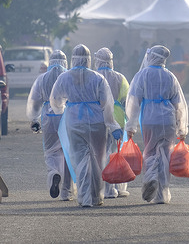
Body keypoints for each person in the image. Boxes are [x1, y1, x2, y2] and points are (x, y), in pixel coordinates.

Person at [50, 44, 122, 207]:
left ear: (73, 58)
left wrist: (62, 109)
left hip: (74, 122)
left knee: (80, 159)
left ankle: (84, 197)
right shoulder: (97, 78)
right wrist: (112, 125)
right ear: (89, 59)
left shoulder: (65, 77)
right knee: (98, 160)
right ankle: (97, 197)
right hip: (97, 122)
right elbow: (107, 103)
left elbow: (55, 99)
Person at [125, 44, 188, 204]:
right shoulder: (170, 76)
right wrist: (182, 128)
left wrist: (130, 126)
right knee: (165, 153)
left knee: (151, 151)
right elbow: (179, 103)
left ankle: (151, 176)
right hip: (168, 120)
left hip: (150, 119)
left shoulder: (142, 75)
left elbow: (133, 102)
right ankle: (162, 194)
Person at [26, 50, 76, 200]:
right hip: (67, 116)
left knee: (51, 151)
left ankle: (54, 172)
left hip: (48, 117)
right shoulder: (70, 77)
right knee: (68, 153)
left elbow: (34, 101)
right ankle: (66, 192)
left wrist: (34, 119)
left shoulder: (42, 79)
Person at [94, 47, 130, 198]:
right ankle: (114, 187)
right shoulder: (120, 78)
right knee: (115, 153)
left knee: (101, 153)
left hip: (98, 117)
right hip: (118, 118)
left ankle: (101, 187)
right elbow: (127, 100)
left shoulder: (94, 76)